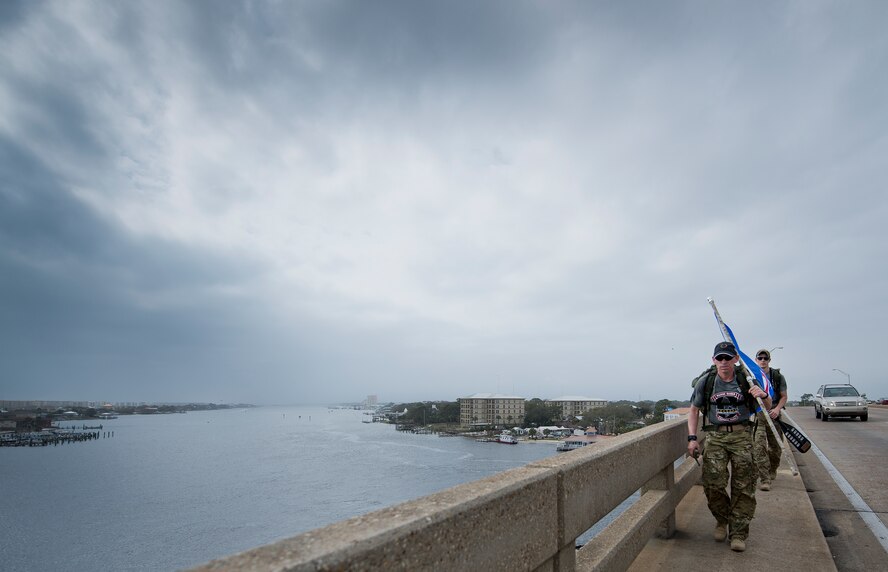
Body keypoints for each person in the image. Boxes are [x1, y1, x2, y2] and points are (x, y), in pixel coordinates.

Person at [687, 341, 772, 552]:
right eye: (719, 358)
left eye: (727, 358)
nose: (723, 362)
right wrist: (692, 437)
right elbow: (693, 410)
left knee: (744, 487)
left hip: (742, 436)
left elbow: (766, 407)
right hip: (715, 437)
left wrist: (764, 396)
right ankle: (722, 520)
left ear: (735, 359)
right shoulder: (706, 382)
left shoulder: (747, 381)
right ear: (714, 360)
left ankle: (739, 533)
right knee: (713, 484)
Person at [752, 348, 788, 491]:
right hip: (759, 416)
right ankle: (765, 479)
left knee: (775, 448)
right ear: (756, 360)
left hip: (774, 415)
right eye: (760, 358)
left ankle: (772, 469)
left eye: (765, 358)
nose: (762, 361)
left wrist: (777, 409)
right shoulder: (752, 376)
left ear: (769, 360)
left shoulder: (777, 376)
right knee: (759, 448)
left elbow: (784, 396)